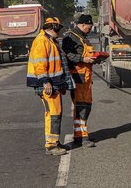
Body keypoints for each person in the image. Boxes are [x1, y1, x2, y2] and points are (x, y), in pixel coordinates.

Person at [27, 17, 75, 156]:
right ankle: (51, 145)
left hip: (54, 84)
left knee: (56, 113)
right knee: (53, 114)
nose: (59, 32)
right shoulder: (42, 41)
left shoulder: (50, 40)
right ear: (52, 27)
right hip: (48, 85)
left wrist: (62, 84)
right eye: (58, 29)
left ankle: (55, 142)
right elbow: (40, 64)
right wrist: (45, 81)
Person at [62, 14, 96, 148]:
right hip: (78, 75)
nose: (90, 29)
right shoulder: (70, 37)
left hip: (86, 76)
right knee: (81, 106)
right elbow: (67, 55)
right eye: (89, 27)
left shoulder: (82, 37)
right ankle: (82, 137)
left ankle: (80, 135)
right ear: (82, 25)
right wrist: (83, 59)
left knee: (86, 106)